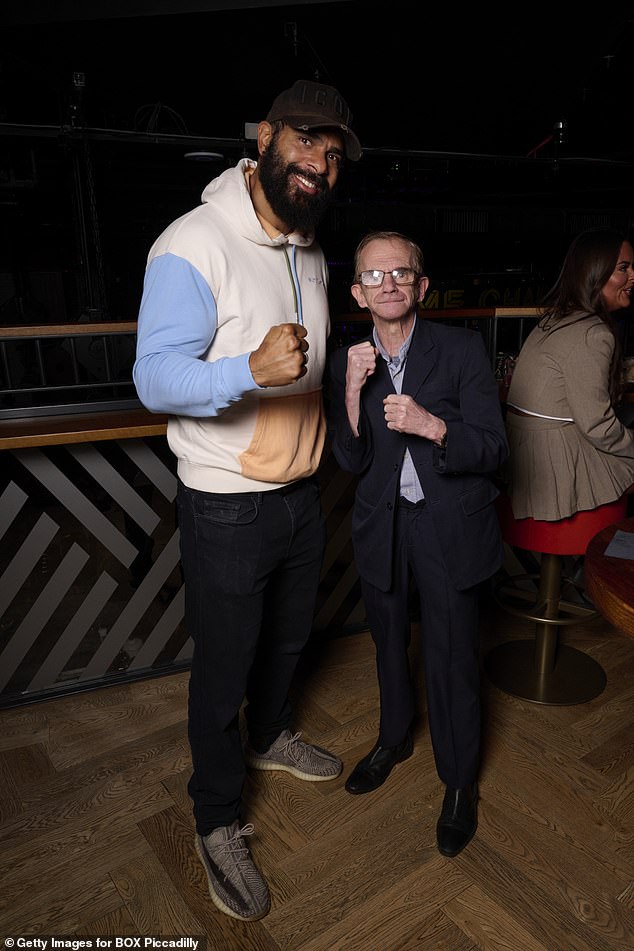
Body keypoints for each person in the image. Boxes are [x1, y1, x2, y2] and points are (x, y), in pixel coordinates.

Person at [133, 79, 362, 922]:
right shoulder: (192, 243)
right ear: (266, 135)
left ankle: (269, 738)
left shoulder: (309, 246)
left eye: (334, 154)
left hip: (302, 492)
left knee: (288, 641)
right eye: (308, 140)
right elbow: (153, 376)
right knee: (223, 667)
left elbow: (309, 361)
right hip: (227, 503)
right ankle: (215, 816)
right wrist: (245, 372)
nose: (321, 162)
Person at [326, 230, 508, 857]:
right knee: (386, 644)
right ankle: (394, 737)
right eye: (375, 275)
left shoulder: (461, 351)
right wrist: (352, 388)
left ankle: (459, 783)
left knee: (453, 654)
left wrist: (434, 427)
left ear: (422, 286)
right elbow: (350, 459)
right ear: (357, 292)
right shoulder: (348, 359)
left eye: (401, 273)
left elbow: (494, 446)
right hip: (384, 525)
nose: (390, 283)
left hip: (446, 525)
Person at [504, 228, 634, 523]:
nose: (632, 277)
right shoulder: (593, 333)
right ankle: (610, 565)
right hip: (553, 462)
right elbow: (598, 427)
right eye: (623, 268)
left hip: (524, 454)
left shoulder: (557, 317)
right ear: (595, 272)